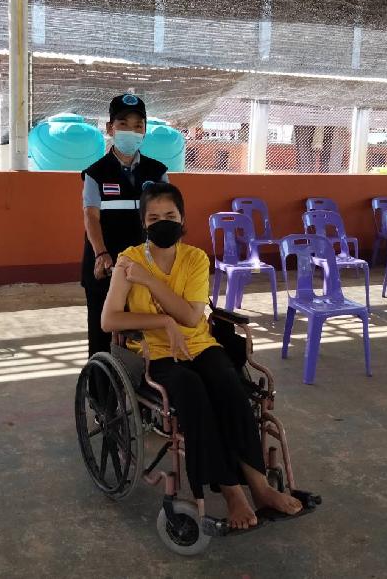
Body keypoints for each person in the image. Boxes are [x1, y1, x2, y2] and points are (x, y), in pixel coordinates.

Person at [100, 182, 302, 530]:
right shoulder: (128, 261)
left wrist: (150, 281)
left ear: (182, 219)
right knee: (192, 390)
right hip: (154, 353)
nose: (163, 222)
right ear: (143, 222)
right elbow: (110, 320)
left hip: (199, 344)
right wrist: (163, 321)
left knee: (229, 385)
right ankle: (232, 492)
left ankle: (260, 487)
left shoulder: (194, 258)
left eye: (170, 215)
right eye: (154, 217)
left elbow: (192, 318)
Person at [81, 94, 168, 357]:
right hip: (106, 266)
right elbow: (91, 216)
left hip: (145, 266)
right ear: (110, 128)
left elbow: (167, 217)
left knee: (144, 330)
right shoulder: (95, 173)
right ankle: (99, 381)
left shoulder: (157, 172)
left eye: (138, 125)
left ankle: (142, 379)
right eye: (123, 124)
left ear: (145, 130)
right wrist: (101, 253)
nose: (131, 131)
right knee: (102, 332)